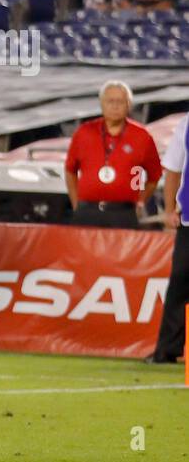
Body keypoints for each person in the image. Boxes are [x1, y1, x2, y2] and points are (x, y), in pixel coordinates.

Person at [63, 81, 160, 229]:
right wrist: (76, 203)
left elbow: (154, 175)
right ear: (101, 103)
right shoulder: (84, 133)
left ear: (129, 104)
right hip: (87, 212)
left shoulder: (142, 136)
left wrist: (141, 201)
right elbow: (70, 170)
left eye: (120, 101)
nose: (115, 106)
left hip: (124, 213)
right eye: (110, 101)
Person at [148, 114, 189, 364]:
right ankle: (167, 349)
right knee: (180, 283)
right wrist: (170, 207)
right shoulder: (187, 123)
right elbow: (173, 169)